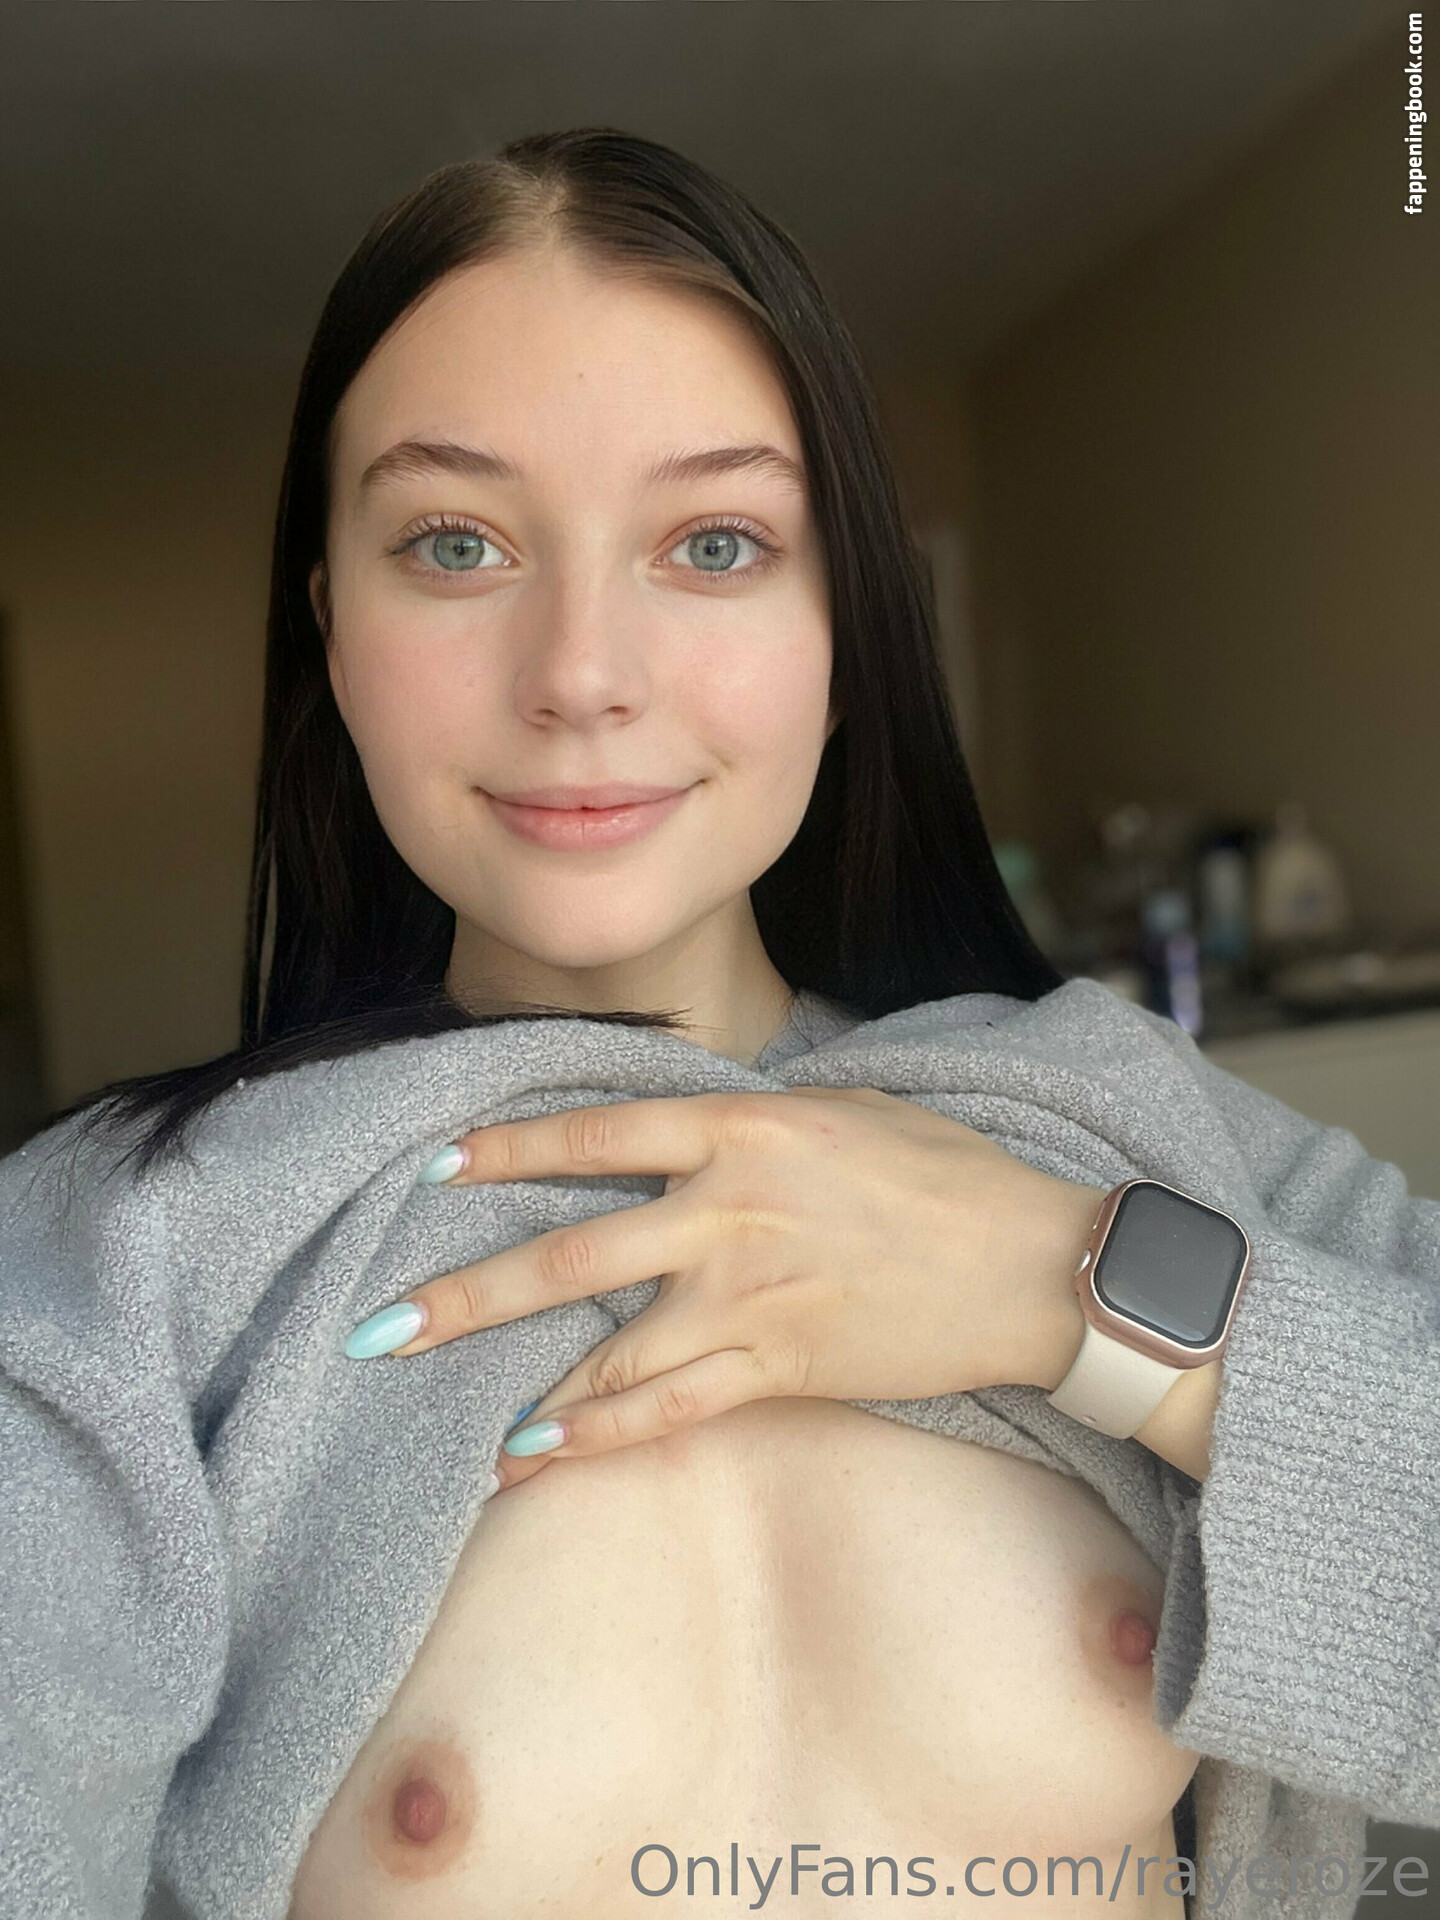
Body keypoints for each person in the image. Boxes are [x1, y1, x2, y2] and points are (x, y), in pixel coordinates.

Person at [8, 130, 1433, 1920]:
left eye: (713, 542)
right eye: (454, 542)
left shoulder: (1120, 1112)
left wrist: (1067, 1286)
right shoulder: (121, 1259)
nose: (581, 674)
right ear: (334, 638)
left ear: (845, 635)